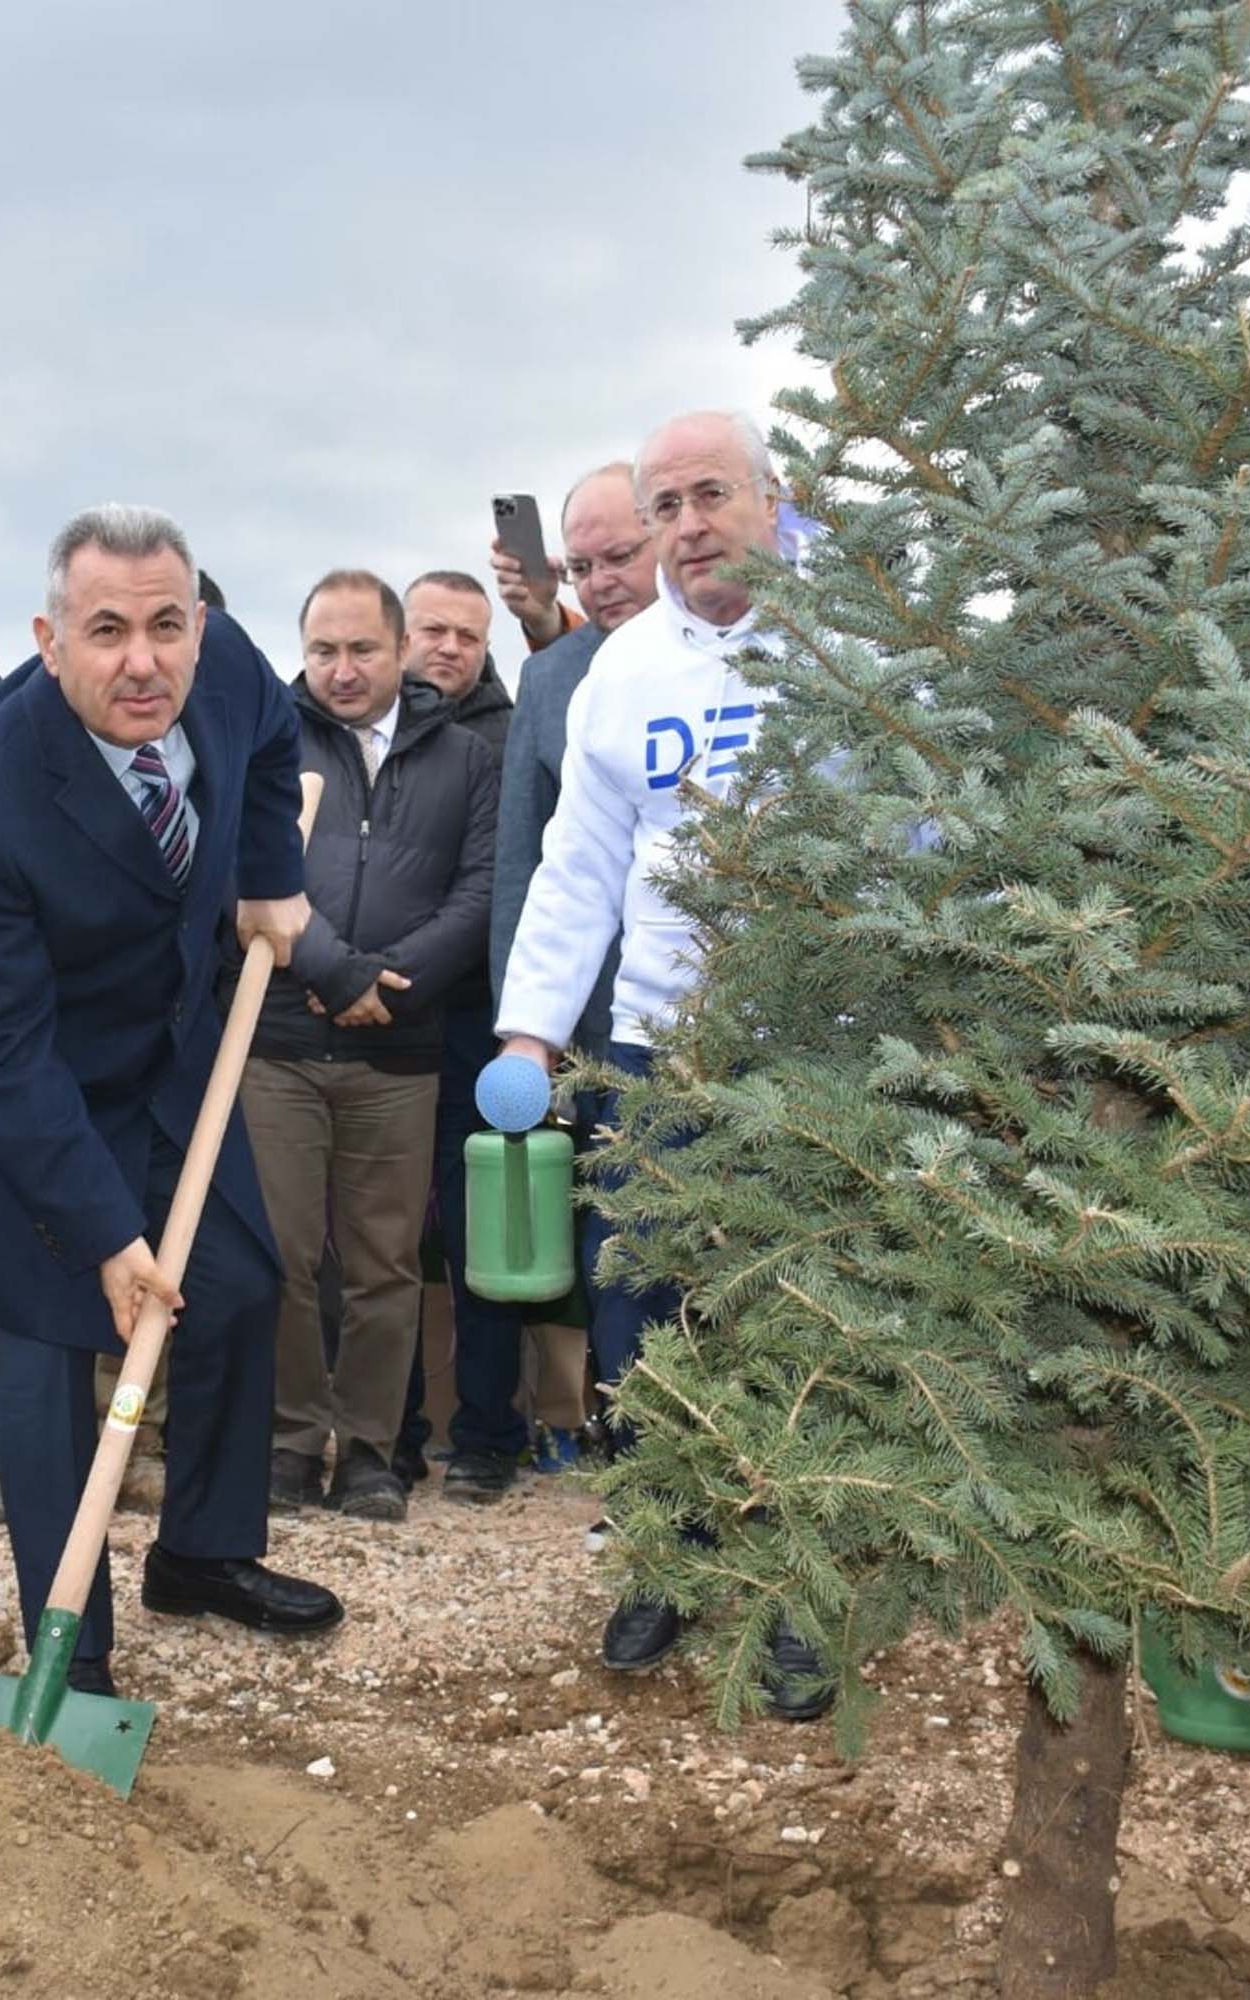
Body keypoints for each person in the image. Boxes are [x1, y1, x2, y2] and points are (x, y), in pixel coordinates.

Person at [0, 505, 344, 1696]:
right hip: (24, 1091)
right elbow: (0, 1050)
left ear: (200, 624)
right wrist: (105, 1235)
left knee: (242, 1282)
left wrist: (270, 877)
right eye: (106, 630)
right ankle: (76, 1648)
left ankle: (202, 1553)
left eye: (165, 625)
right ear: (50, 640)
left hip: (168, 1050)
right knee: (51, 1354)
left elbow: (266, 756)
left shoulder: (233, 667)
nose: (142, 659)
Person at [495, 410, 831, 1718]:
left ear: (770, 500)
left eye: (713, 496)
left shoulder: (844, 649)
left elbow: (917, 835)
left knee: (803, 1323)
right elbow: (579, 863)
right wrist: (530, 1029)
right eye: (669, 505)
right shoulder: (622, 672)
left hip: (815, 1056)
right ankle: (667, 1559)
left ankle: (803, 1591)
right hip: (654, 1053)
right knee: (640, 1318)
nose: (692, 525)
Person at [247, 569, 495, 1519]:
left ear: (401, 652)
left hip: (401, 1049)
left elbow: (479, 892)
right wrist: (333, 971)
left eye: (361, 650)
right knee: (285, 1254)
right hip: (276, 1043)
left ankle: (370, 1451)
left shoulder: (466, 759)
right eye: (322, 651)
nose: (341, 671)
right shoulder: (269, 743)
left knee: (387, 1262)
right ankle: (290, 1441)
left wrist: (386, 981)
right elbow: (252, 870)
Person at [452, 462, 663, 1502]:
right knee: (610, 1251)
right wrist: (521, 1027)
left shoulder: (761, 656)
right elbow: (526, 869)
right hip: (590, 1025)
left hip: (733, 1021)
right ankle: (632, 1473)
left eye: (622, 554)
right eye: (585, 563)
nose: (606, 578)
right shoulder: (552, 676)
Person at [393, 568, 520, 1485]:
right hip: (374, 1013)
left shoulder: (512, 736)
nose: (448, 647)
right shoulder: (358, 726)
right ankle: (385, 1436)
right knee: (382, 1233)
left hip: (480, 1009)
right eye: (432, 629)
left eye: (467, 635)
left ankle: (486, 1436)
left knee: (484, 1233)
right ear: (401, 634)